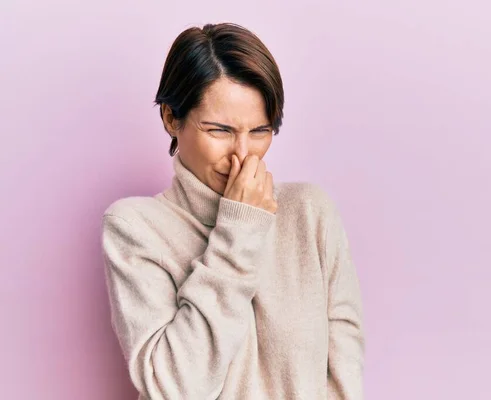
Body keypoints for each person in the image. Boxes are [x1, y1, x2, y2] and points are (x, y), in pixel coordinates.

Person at [101, 22, 364, 400]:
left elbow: (345, 376)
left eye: (260, 130)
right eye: (220, 131)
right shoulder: (135, 229)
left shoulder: (311, 214)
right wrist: (240, 229)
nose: (243, 153)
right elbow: (174, 388)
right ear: (171, 119)